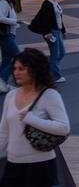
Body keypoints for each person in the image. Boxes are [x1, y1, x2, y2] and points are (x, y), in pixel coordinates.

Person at [0, 49, 70, 187]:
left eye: (21, 68)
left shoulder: (50, 95)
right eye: (14, 68)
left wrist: (32, 119)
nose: (16, 72)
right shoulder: (11, 95)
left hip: (41, 166)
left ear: (35, 70)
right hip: (13, 164)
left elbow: (63, 128)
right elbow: (4, 132)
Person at [27, 0, 67, 83]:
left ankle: (46, 71)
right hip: (51, 31)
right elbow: (45, 20)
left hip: (57, 30)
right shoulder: (47, 3)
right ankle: (55, 76)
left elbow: (59, 18)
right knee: (55, 54)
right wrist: (48, 33)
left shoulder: (55, 2)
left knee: (61, 53)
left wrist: (63, 30)